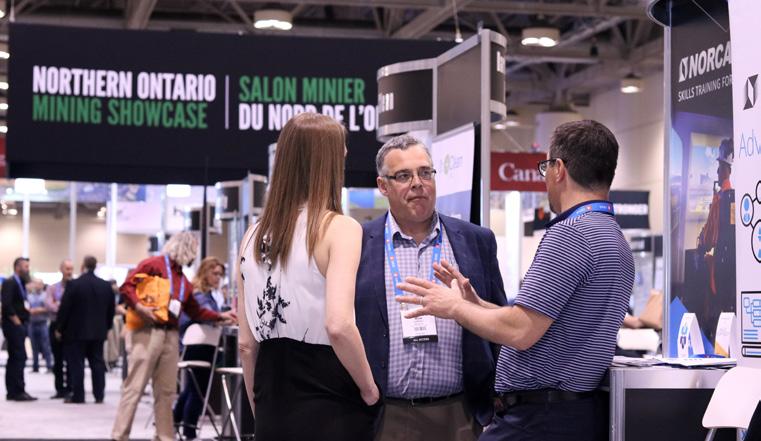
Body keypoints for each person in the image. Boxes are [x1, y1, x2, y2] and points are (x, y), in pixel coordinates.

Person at [397, 120, 635, 441]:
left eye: (545, 167)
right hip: (570, 414)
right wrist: (476, 304)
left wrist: (454, 307)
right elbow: (546, 322)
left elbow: (521, 331)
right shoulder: (613, 238)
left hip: (538, 419)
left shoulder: (571, 235)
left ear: (559, 169)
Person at [238, 112, 381, 441]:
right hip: (332, 399)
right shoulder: (340, 228)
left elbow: (246, 345)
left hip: (272, 399)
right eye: (341, 149)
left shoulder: (252, 236)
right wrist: (369, 389)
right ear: (326, 161)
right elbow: (339, 325)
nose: (346, 155)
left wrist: (261, 409)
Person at [355, 134, 507, 441]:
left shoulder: (476, 240)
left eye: (425, 172)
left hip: (460, 415)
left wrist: (499, 397)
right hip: (382, 417)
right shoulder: (358, 243)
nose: (418, 183)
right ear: (383, 186)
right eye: (403, 176)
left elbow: (500, 322)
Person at [111, 232, 236, 441]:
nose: (193, 256)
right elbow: (127, 287)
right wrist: (140, 307)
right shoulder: (154, 264)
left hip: (171, 335)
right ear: (185, 248)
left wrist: (220, 316)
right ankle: (119, 436)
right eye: (193, 251)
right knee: (135, 387)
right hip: (147, 332)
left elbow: (195, 311)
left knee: (166, 391)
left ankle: (164, 436)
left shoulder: (182, 280)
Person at [173, 256, 225, 440]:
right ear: (205, 272)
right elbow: (208, 316)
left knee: (192, 388)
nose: (218, 278)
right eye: (215, 273)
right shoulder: (200, 295)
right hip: (197, 347)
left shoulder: (205, 294)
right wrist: (223, 317)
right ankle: (189, 430)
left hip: (198, 347)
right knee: (197, 390)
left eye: (220, 274)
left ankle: (176, 421)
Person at [56, 256, 115, 404]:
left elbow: (65, 308)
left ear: (83, 266)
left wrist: (59, 327)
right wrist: (107, 327)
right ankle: (99, 395)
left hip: (76, 332)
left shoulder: (74, 285)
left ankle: (78, 395)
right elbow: (111, 310)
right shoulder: (105, 286)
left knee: (77, 364)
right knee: (97, 363)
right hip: (98, 332)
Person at [1, 257, 37, 401]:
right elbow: (7, 305)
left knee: (15, 357)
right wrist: (17, 323)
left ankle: (13, 391)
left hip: (19, 324)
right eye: (26, 266)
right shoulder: (10, 282)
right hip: (13, 326)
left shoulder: (20, 283)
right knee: (19, 357)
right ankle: (18, 391)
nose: (28, 269)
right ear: (18, 267)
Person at [45, 259, 75, 399]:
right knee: (57, 359)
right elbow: (49, 305)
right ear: (61, 270)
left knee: (71, 358)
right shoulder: (52, 288)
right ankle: (59, 389)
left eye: (71, 269)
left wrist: (60, 305)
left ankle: (70, 388)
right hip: (55, 324)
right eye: (67, 269)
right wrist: (64, 308)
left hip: (70, 326)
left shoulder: (75, 287)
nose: (69, 272)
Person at [27, 278, 53, 373]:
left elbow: (49, 308)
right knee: (34, 346)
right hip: (32, 323)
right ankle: (35, 366)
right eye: (36, 284)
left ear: (42, 285)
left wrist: (38, 310)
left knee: (46, 345)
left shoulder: (46, 296)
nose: (37, 286)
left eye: (39, 284)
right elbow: (27, 307)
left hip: (42, 323)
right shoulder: (29, 296)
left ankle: (49, 366)